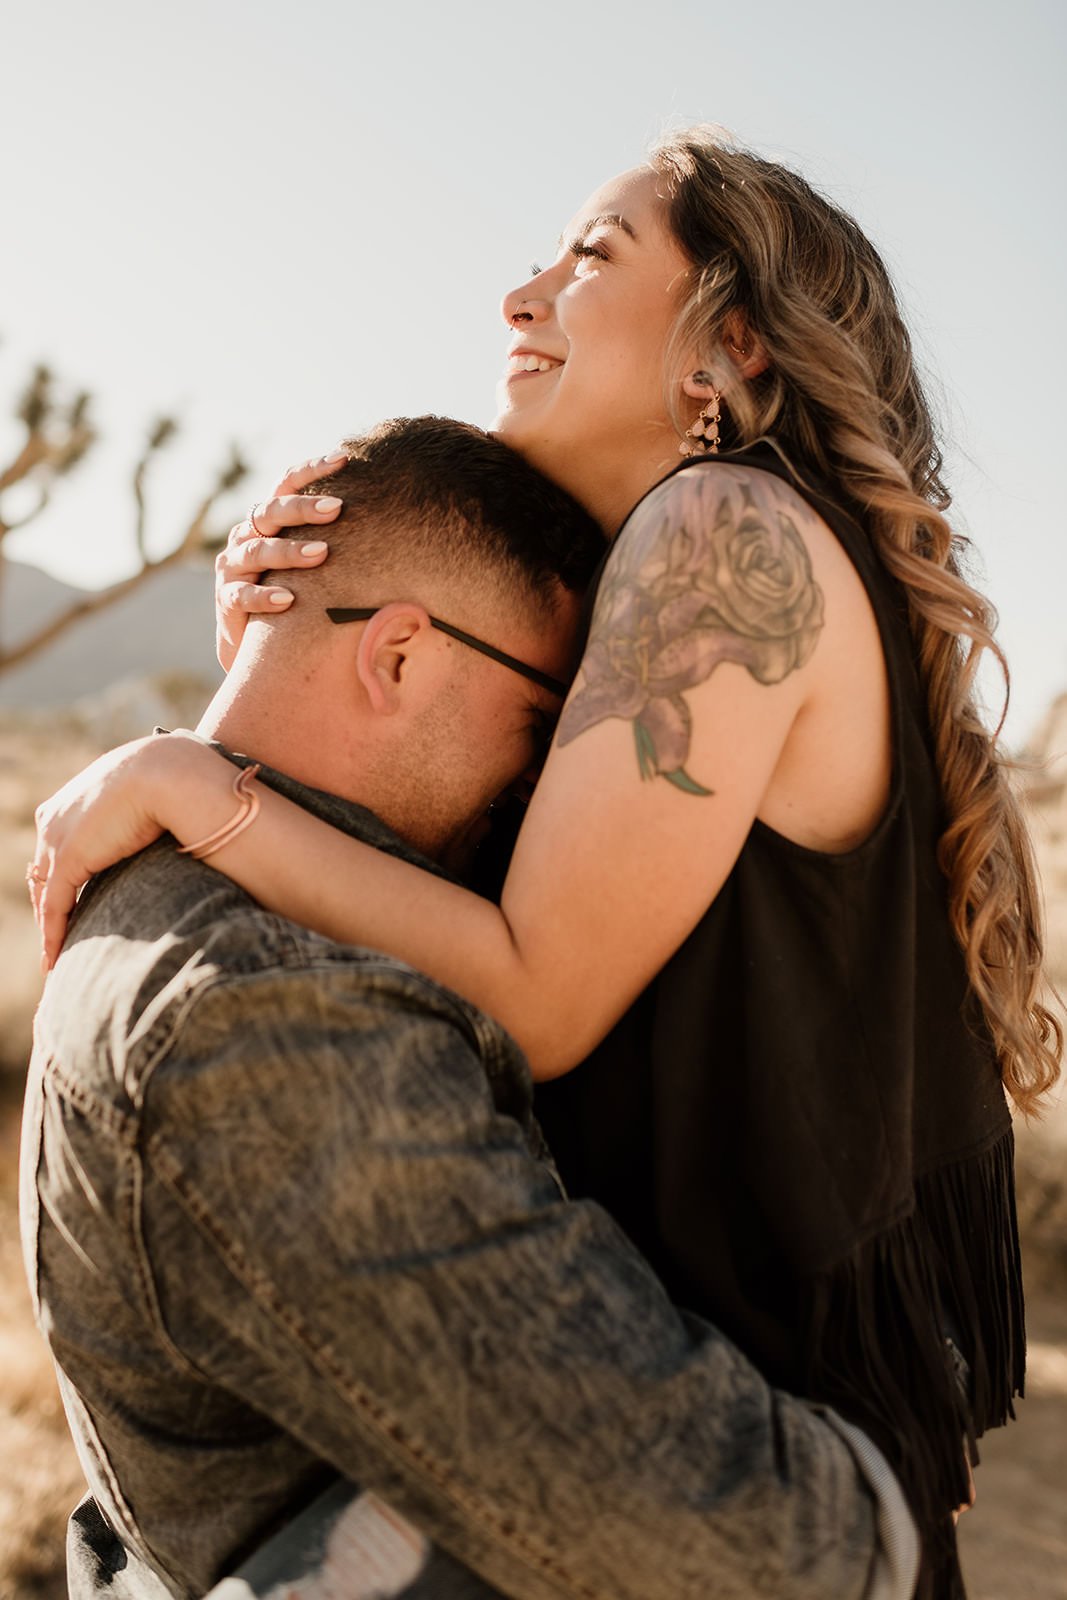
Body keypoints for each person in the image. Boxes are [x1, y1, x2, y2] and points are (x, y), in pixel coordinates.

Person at [29, 129, 1062, 1598]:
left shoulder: (723, 536)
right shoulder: (675, 570)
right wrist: (299, 640)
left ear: (729, 347)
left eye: (587, 258)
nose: (519, 296)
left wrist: (202, 786)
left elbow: (537, 992)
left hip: (728, 1493)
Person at [20, 415, 917, 1600]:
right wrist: (876, 1484)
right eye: (548, 724)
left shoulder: (179, 896)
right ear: (396, 658)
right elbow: (764, 1545)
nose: (554, 785)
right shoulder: (260, 1019)